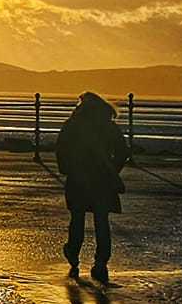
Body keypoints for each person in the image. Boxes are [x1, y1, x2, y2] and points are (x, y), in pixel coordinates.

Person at [54, 92, 130, 284]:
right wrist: (113, 170)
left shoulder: (73, 124)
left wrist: (67, 168)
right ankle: (101, 263)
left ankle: (73, 253)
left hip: (78, 178)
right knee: (101, 221)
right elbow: (122, 151)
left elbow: (61, 149)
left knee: (77, 218)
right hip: (102, 180)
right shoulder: (108, 125)